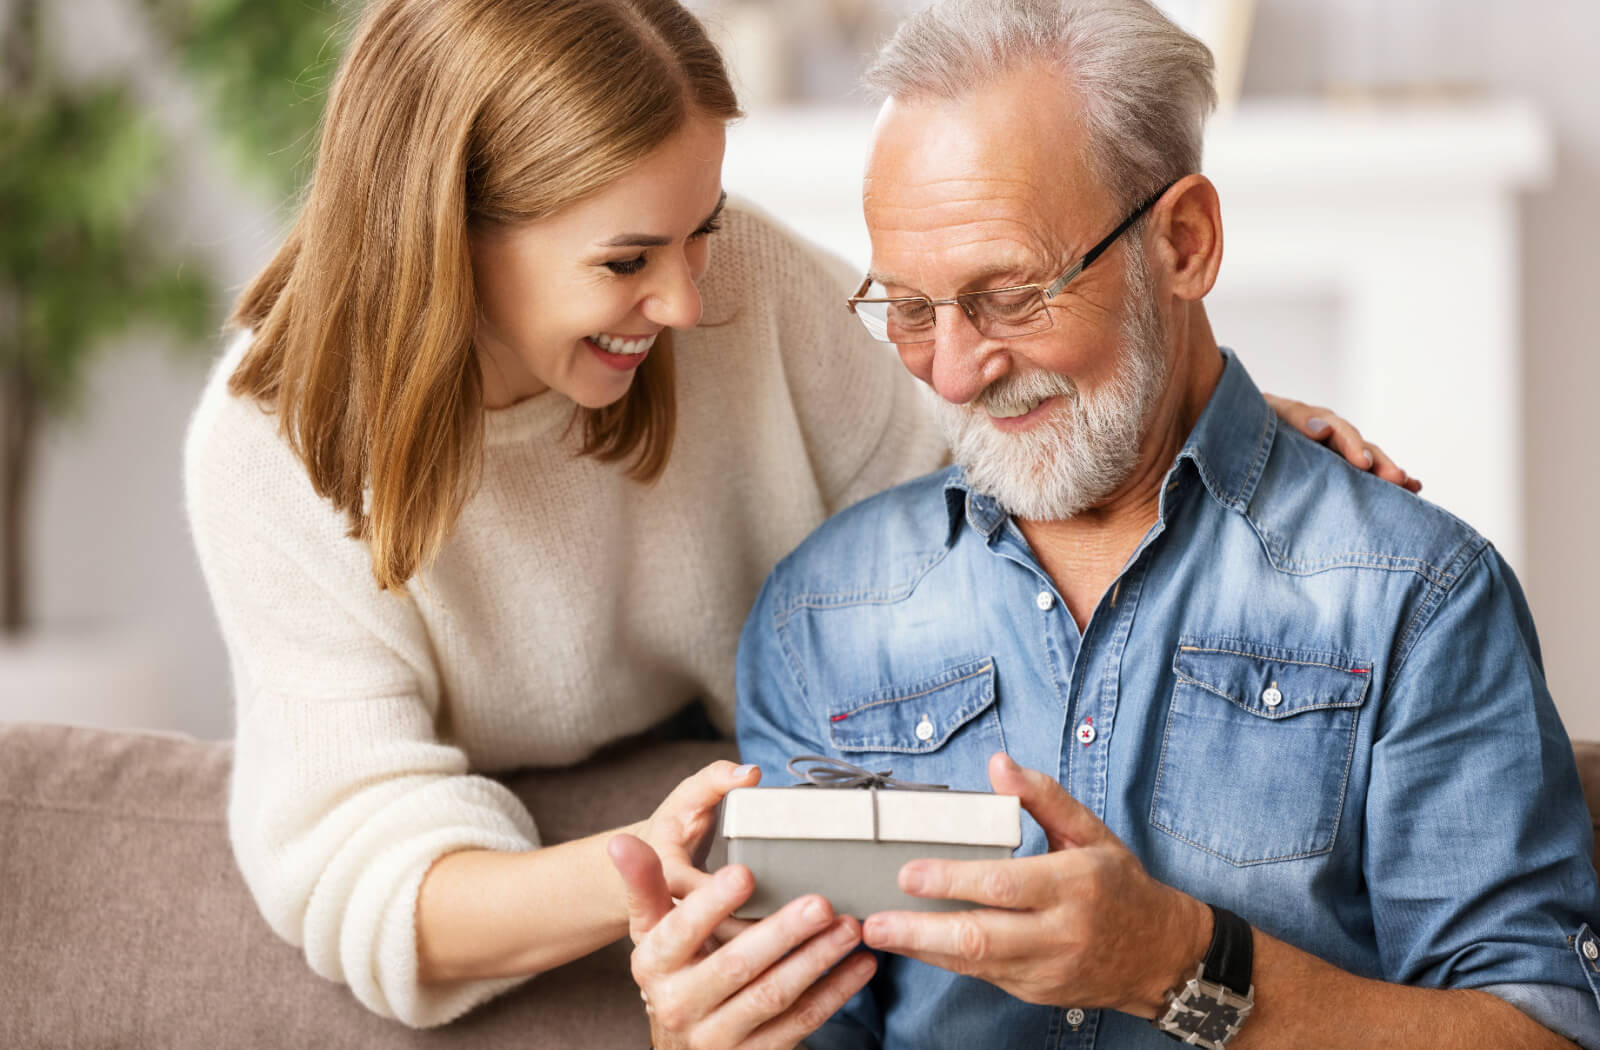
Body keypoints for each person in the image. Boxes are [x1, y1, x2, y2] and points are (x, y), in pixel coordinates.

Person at [184, 0, 1411, 1031]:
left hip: (761, 768)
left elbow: (976, 416)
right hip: (604, 866)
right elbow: (358, 859)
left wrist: (1209, 414)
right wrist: (677, 864)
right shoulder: (269, 446)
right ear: (447, 236)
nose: (681, 303)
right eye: (624, 263)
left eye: (701, 231)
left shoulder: (739, 290)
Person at [613, 1, 1600, 1049]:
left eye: (1010, 295)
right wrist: (707, 1031)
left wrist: (1182, 964)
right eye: (908, 307)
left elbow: (1539, 1032)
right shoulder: (822, 612)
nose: (952, 371)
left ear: (1184, 242)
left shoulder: (1413, 595)